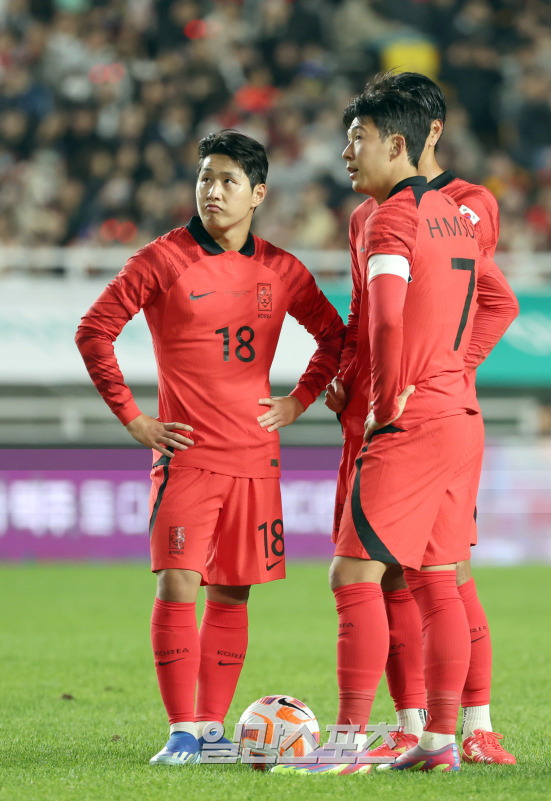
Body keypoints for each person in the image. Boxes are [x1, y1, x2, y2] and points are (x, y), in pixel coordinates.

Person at [75, 129, 345, 766]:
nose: (213, 191)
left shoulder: (282, 269)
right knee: (177, 586)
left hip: (255, 457)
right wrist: (135, 419)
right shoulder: (162, 259)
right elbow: (95, 331)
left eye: (227, 181)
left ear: (258, 193)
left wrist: (297, 402)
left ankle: (214, 729)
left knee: (231, 592)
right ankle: (180, 733)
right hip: (187, 457)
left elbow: (336, 339)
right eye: (205, 180)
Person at [274, 81, 503, 777]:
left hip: (410, 419)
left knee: (353, 574)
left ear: (398, 142)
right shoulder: (456, 217)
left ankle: (344, 743)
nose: (346, 152)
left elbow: (387, 318)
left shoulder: (388, 220)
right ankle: (437, 739)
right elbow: (497, 300)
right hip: (459, 416)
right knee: (437, 578)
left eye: (357, 138)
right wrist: (448, 368)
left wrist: (386, 397)